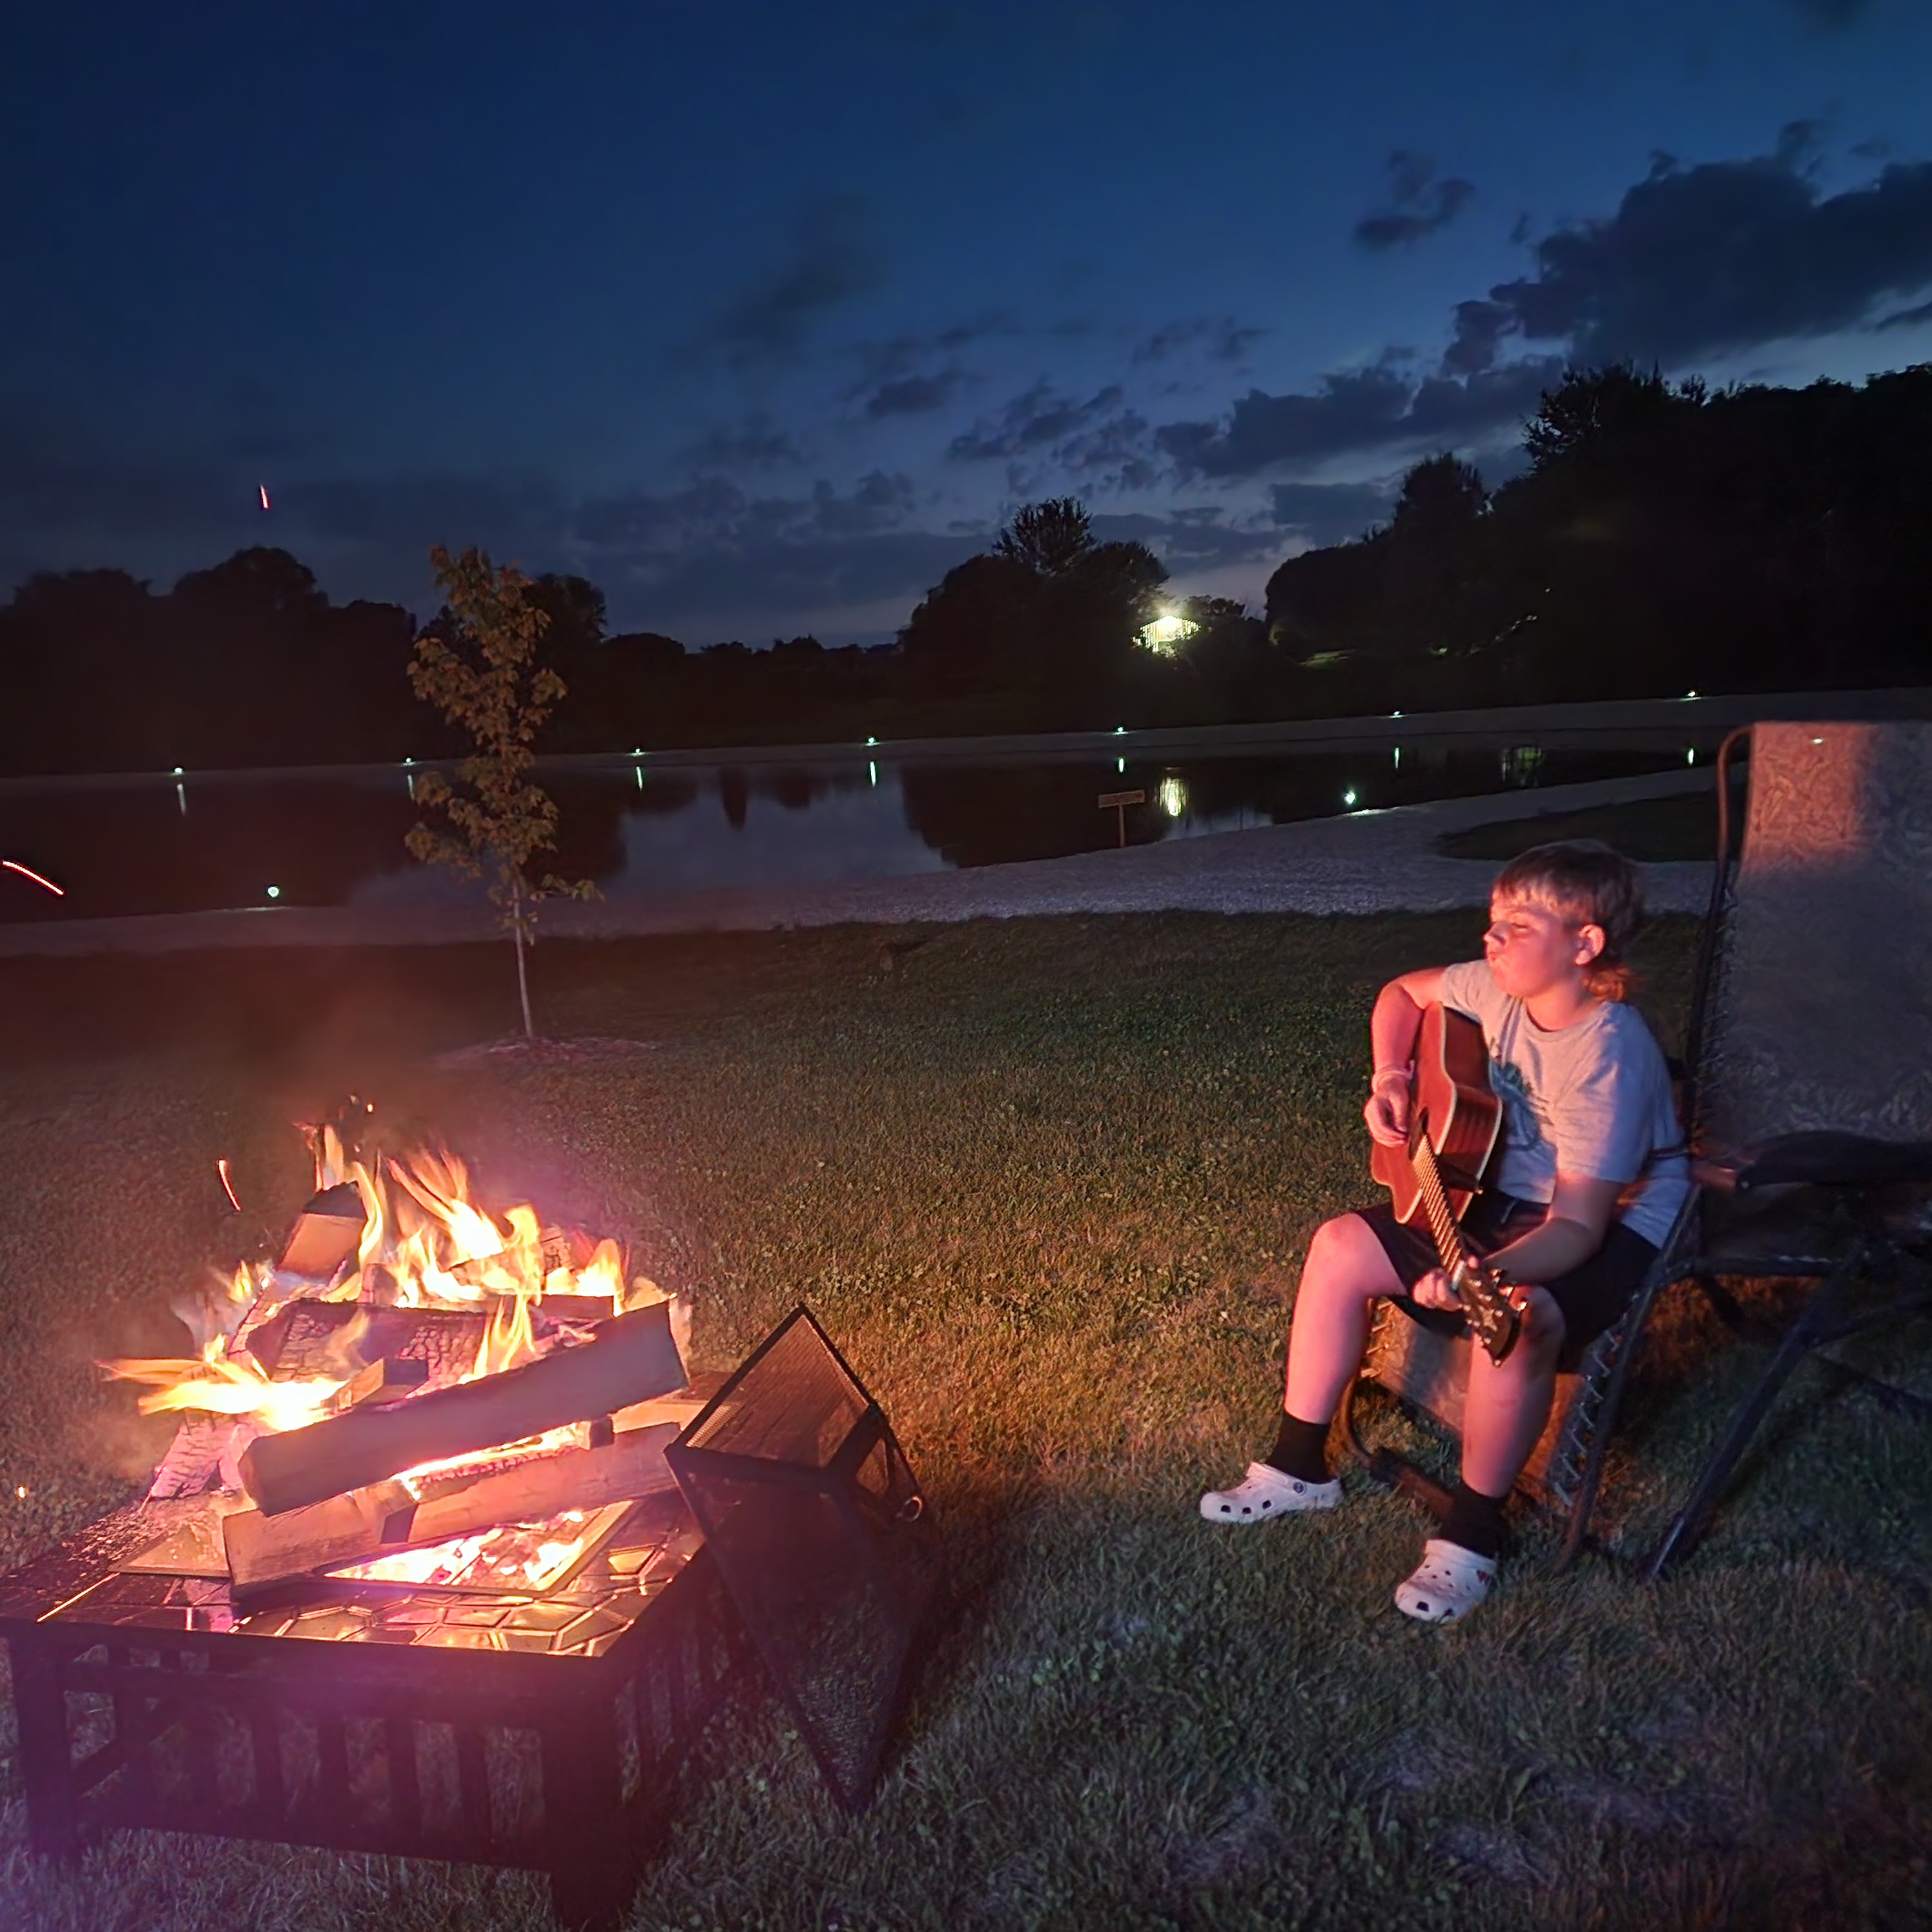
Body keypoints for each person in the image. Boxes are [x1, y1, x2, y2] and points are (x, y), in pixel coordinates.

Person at [1199, 841, 1688, 1625]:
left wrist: (1477, 1273)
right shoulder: (1490, 988)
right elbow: (1399, 994)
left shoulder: (1609, 1050)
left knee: (1517, 1317)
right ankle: (1298, 1468)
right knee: (1338, 1246)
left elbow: (1576, 1226)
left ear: (1584, 944)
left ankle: (1472, 1533)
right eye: (1492, 921)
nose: (1490, 939)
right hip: (1492, 1183)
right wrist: (1391, 1079)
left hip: (1608, 1219)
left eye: (1517, 926)